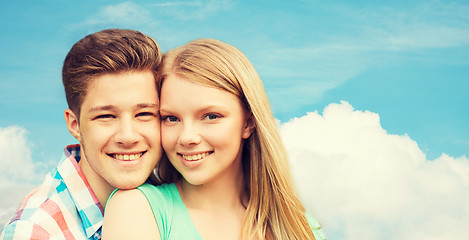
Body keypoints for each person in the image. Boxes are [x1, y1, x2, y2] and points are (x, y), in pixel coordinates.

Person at [103, 39, 327, 240]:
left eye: (211, 116)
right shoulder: (137, 208)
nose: (187, 137)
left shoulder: (302, 227)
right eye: (171, 118)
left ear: (248, 123)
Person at [0, 29, 163, 239]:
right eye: (106, 116)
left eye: (144, 113)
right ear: (75, 124)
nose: (128, 136)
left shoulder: (173, 197)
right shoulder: (37, 231)